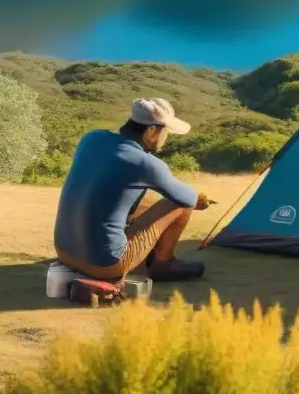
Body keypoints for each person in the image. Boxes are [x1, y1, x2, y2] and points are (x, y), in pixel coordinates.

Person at [53, 97, 211, 283]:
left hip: (64, 252)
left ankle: (148, 254)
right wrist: (197, 199)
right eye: (166, 133)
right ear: (152, 131)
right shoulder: (146, 164)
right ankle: (164, 263)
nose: (165, 139)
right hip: (105, 266)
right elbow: (188, 198)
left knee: (145, 200)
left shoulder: (91, 138)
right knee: (179, 203)